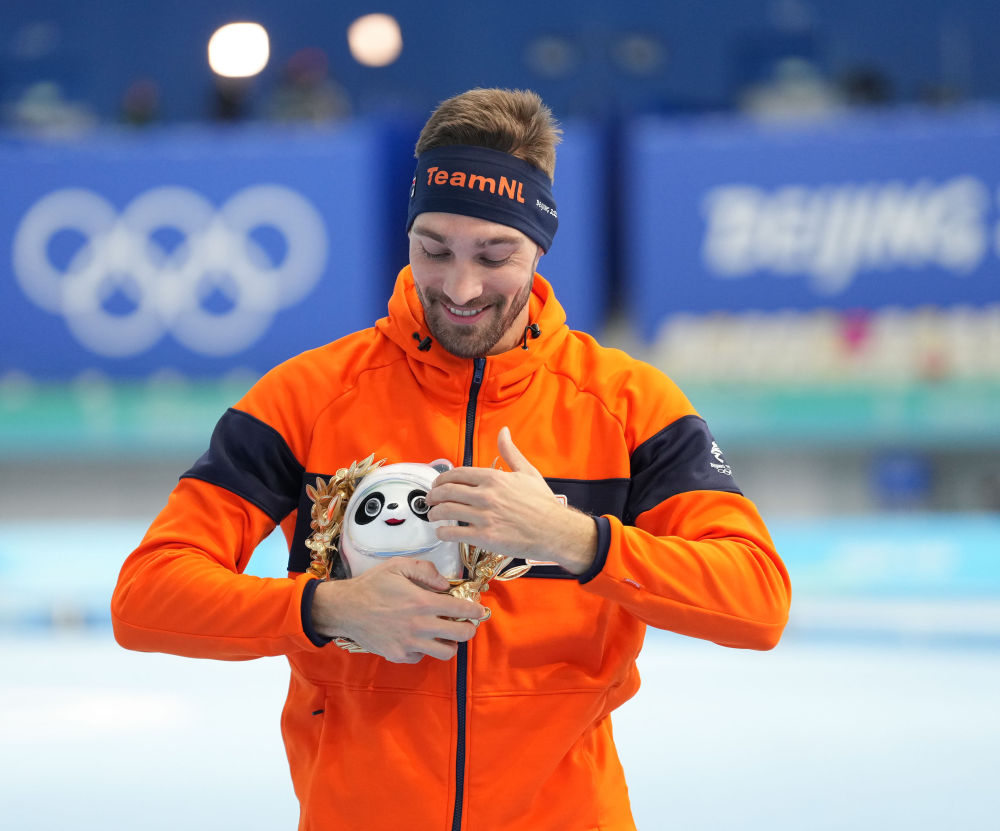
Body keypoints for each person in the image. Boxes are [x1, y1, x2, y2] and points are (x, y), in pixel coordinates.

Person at [112, 87, 791, 831]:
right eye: (434, 250)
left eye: (494, 256)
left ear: (540, 246)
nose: (461, 288)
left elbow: (757, 600)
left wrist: (576, 539)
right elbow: (147, 596)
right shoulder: (308, 397)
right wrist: (324, 608)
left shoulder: (628, 405)